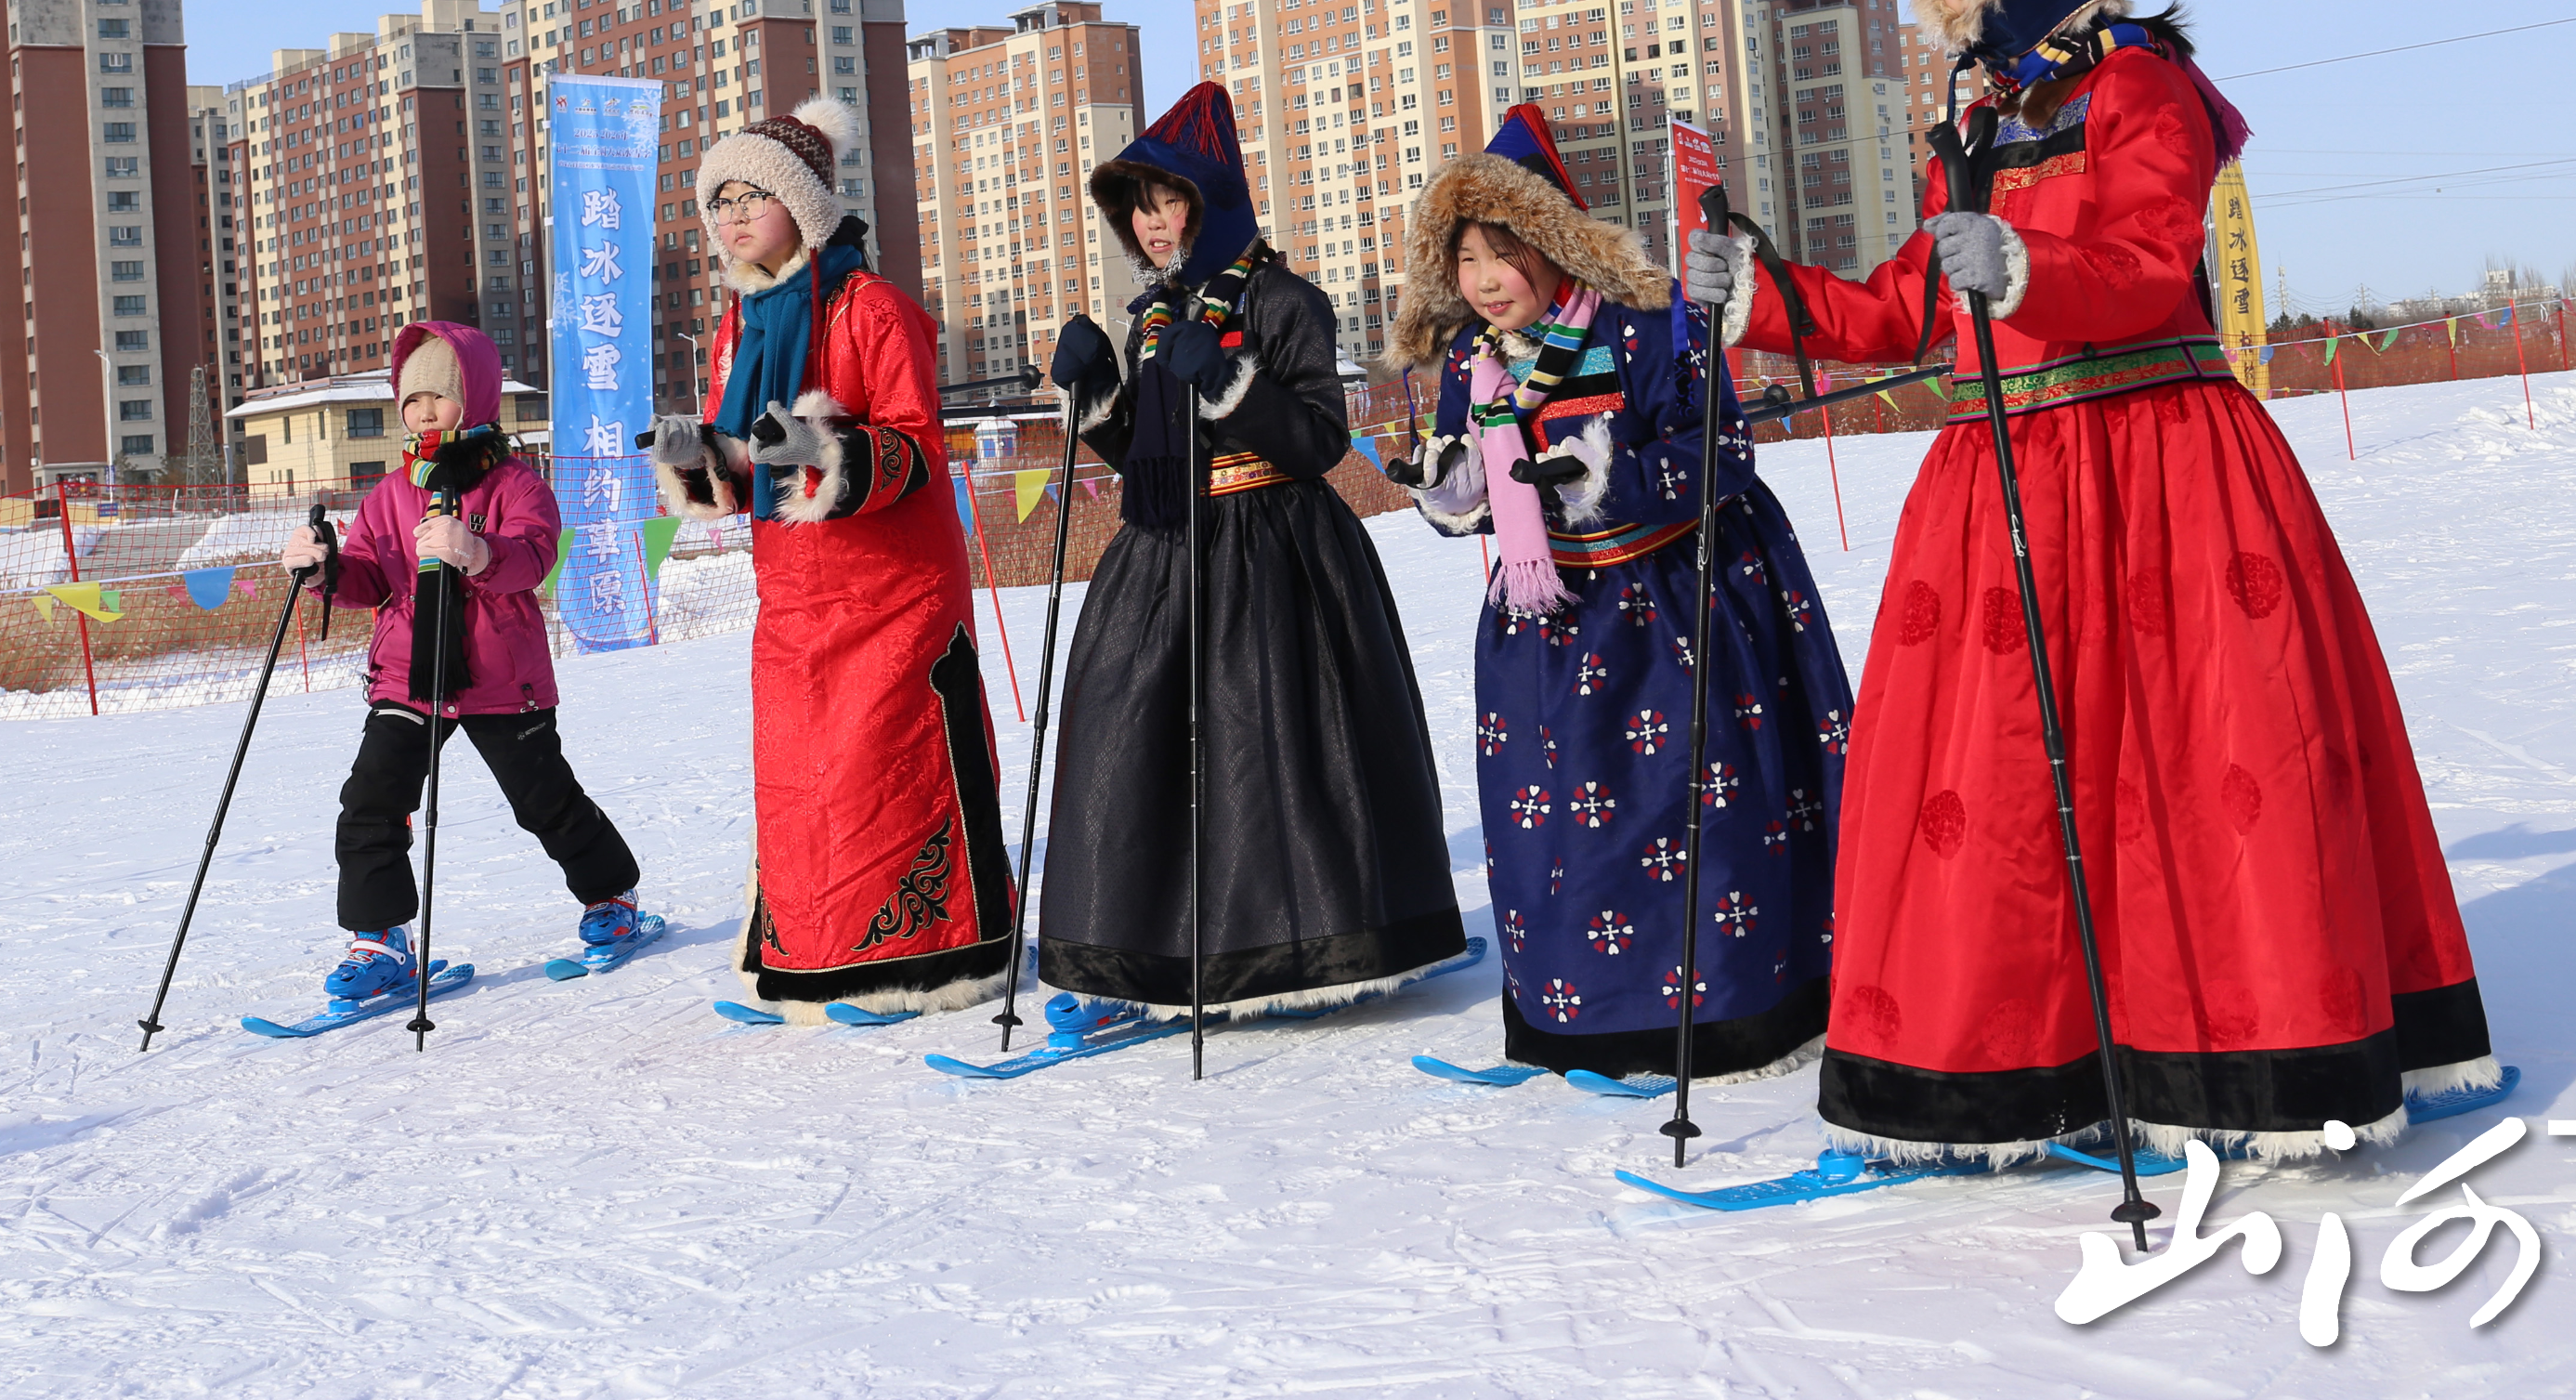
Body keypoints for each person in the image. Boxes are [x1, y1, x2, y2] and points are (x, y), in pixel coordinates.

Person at [1685, 0, 2495, 1162]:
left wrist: (2027, 270)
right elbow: (1901, 303)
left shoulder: (2139, 88)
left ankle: (2235, 1053)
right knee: (2004, 775)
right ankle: (2015, 1061)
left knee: (2189, 758)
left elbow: (2140, 252)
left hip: (2159, 465)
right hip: (2003, 482)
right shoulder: (1983, 118)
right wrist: (1756, 297)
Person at [1388, 108, 1850, 1079]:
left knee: (1690, 814)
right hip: (1545, 626)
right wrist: (1450, 484)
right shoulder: (1472, 363)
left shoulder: (1649, 322)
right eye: (1464, 258)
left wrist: (1612, 474)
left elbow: (1722, 446)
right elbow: (1469, 497)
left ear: (1553, 245)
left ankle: (1726, 1008)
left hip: (1677, 605)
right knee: (1555, 822)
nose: (1480, 280)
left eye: (1500, 253)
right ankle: (1582, 1013)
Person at [1033, 82, 1464, 1023]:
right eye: (1136, 207)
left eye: (1168, 200)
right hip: (1161, 554)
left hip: (1276, 555)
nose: (1150, 224)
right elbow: (1146, 457)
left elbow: (1314, 442)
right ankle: (1131, 957)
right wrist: (1098, 392)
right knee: (1124, 733)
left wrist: (1230, 378)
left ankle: (1298, 941)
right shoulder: (1154, 314)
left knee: (1266, 747)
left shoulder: (1283, 299)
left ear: (1211, 200)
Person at [642, 97, 1012, 1020]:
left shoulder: (875, 307)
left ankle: (929, 961)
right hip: (793, 600)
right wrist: (699, 459)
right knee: (803, 785)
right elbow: (748, 461)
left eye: (749, 195)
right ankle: (808, 957)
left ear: (801, 206)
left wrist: (823, 452)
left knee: (885, 777)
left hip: (893, 592)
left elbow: (917, 443)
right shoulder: (740, 325)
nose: (729, 215)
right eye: (716, 199)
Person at [280, 320, 644, 1001]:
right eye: (411, 400)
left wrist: (477, 551)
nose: (422, 412)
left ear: (473, 400)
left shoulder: (515, 486)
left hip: (501, 677)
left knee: (544, 802)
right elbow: (371, 578)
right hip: (408, 676)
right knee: (371, 800)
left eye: (438, 398)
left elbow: (533, 558)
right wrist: (326, 570)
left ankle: (611, 900)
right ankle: (379, 939)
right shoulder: (390, 493)